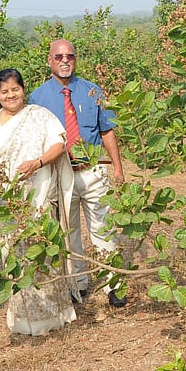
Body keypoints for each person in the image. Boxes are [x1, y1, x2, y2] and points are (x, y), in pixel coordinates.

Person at [0, 68, 77, 334]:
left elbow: (58, 145)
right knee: (12, 256)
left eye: (15, 89)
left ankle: (52, 316)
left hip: (38, 198)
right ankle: (22, 318)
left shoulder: (40, 116)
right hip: (4, 203)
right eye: (4, 91)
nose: (11, 95)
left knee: (42, 254)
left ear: (23, 90)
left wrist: (38, 162)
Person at [29, 39, 126, 307]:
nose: (64, 61)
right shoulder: (37, 98)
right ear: (49, 60)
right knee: (69, 231)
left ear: (76, 59)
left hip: (93, 171)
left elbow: (106, 130)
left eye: (69, 56)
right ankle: (78, 284)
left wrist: (117, 166)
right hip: (62, 174)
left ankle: (113, 284)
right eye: (59, 56)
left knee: (103, 228)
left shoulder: (92, 91)